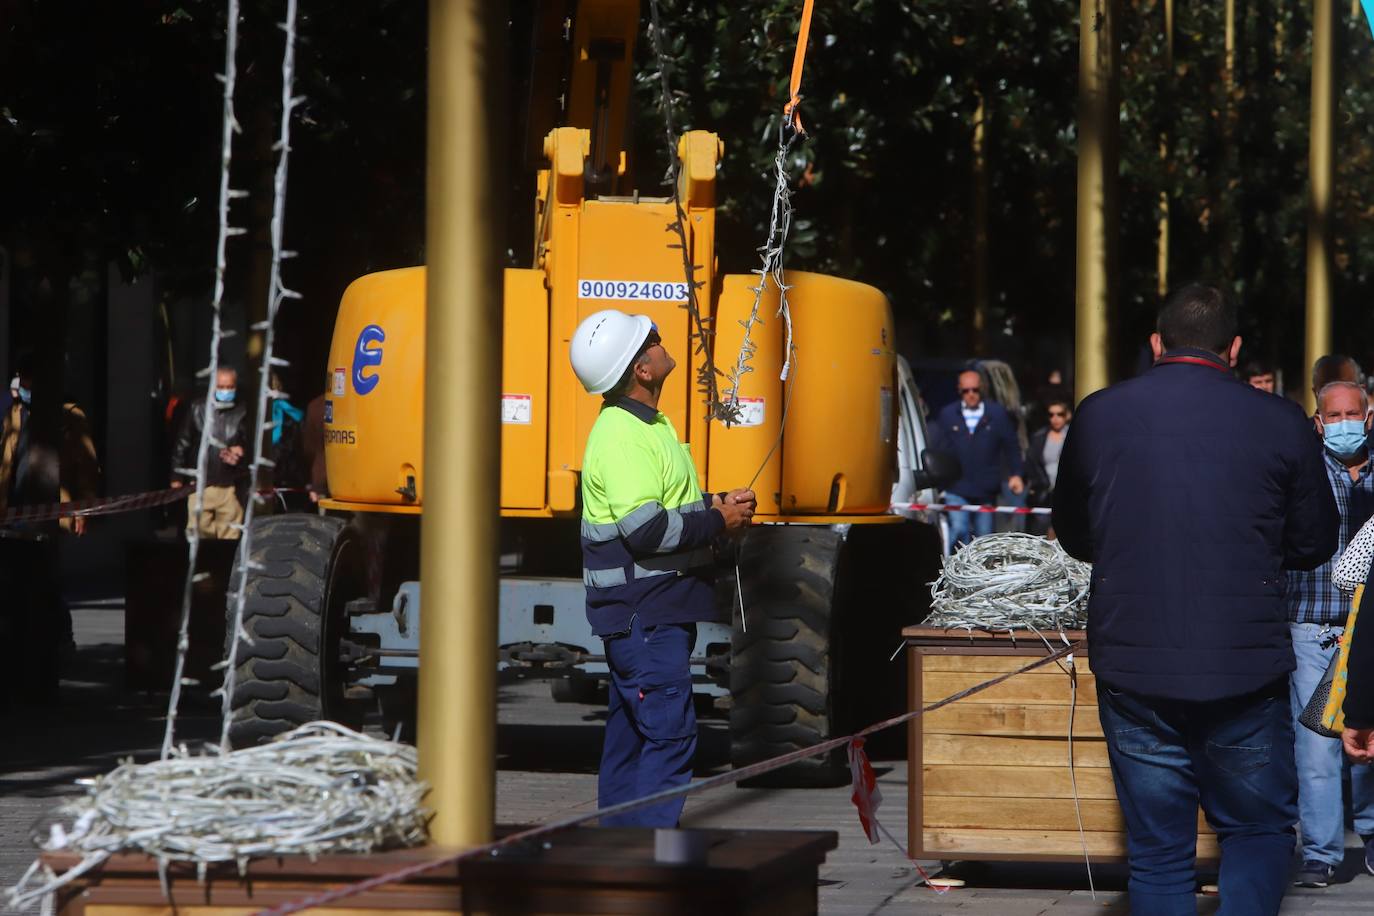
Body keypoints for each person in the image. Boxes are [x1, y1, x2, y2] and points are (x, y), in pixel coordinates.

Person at [1053, 284, 1338, 914]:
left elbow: (1075, 534)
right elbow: (1314, 541)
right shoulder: (1280, 420)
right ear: (1233, 350)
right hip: (1243, 665)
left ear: (1157, 343)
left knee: (1158, 850)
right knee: (1257, 828)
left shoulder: (1100, 413)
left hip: (1134, 661)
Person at [570, 310, 754, 827]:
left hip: (647, 616)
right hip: (645, 617)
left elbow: (667, 507)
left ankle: (620, 864)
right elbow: (647, 532)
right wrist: (720, 519)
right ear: (642, 371)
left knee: (632, 737)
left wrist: (717, 505)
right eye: (650, 339)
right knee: (670, 735)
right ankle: (646, 867)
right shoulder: (624, 435)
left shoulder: (648, 425)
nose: (659, 340)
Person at [1281, 379, 1374, 887]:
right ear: (1318, 423)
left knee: (1366, 740)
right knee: (1315, 746)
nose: (1343, 424)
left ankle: (1372, 833)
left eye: (1351, 414)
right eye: (1332, 416)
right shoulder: (1306, 473)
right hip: (1312, 624)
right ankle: (1320, 852)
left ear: (1369, 414)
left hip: (1369, 628)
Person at [931, 369, 1024, 547]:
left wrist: (1016, 474)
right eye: (966, 391)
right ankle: (955, 571)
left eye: (975, 390)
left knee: (984, 539)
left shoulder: (996, 414)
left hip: (986, 489)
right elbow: (938, 448)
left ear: (982, 389)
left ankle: (981, 574)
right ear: (959, 391)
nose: (971, 395)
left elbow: (1012, 445)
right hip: (956, 487)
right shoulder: (948, 415)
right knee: (959, 530)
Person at [171, 366, 249, 539]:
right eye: (221, 387)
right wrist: (176, 476)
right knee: (197, 536)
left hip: (230, 487)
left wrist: (241, 453)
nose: (226, 391)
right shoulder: (197, 408)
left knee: (230, 537)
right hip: (200, 485)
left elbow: (250, 445)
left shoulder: (242, 411)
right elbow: (183, 443)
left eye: (230, 387)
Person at [1025, 398, 1071, 536]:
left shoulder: (1074, 436)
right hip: (1044, 494)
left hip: (1067, 493)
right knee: (1041, 533)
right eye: (1051, 415)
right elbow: (1031, 462)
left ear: (1067, 415)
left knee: (1066, 533)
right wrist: (1034, 483)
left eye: (1060, 414)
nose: (1055, 418)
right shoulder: (1039, 437)